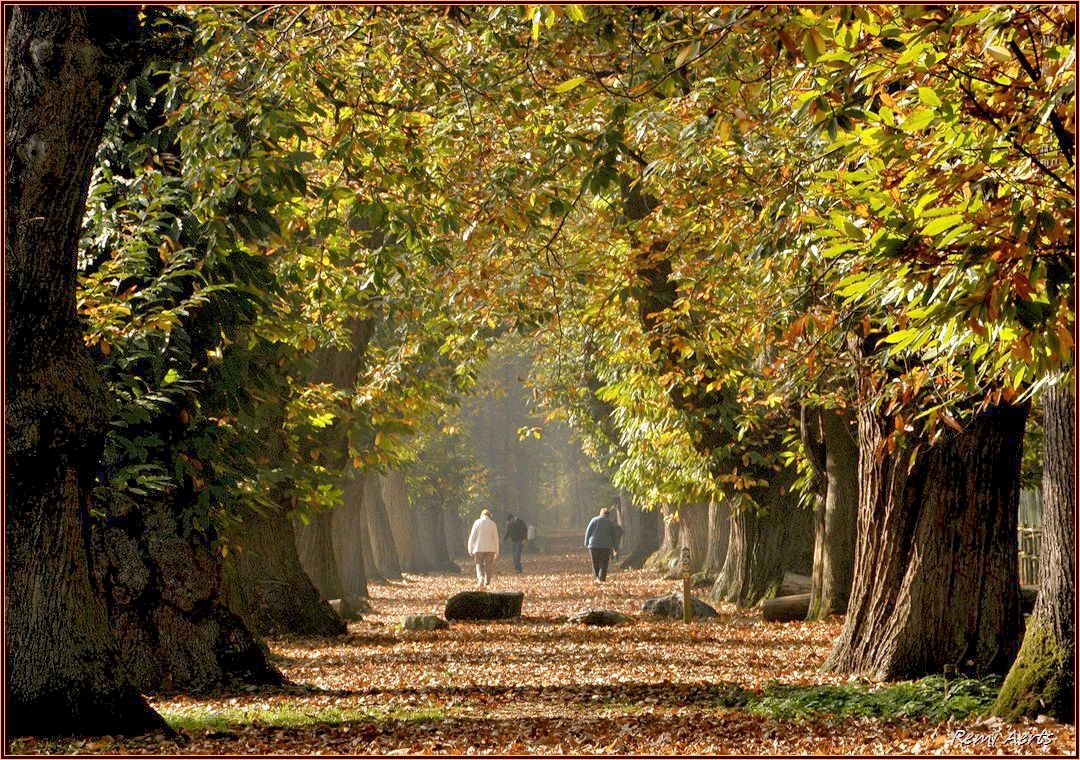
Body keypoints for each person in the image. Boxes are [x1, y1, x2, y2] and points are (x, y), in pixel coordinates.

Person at [584, 507, 623, 582]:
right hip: (606, 545)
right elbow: (614, 535)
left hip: (593, 545)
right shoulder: (610, 523)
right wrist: (616, 547)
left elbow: (588, 531)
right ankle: (601, 579)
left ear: (600, 514)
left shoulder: (594, 520)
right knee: (604, 563)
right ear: (608, 515)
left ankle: (596, 578)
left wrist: (586, 542)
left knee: (595, 562)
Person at [467, 509, 500, 587]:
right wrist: (497, 551)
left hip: (479, 547)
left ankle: (481, 579)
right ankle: (487, 582)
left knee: (479, 564)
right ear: (489, 516)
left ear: (481, 515)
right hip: (490, 548)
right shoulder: (493, 524)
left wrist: (470, 548)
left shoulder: (477, 522)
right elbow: (496, 538)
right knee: (488, 565)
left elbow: (472, 536)